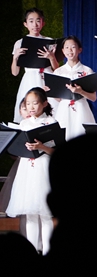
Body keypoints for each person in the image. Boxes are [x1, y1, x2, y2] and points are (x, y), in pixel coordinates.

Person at [5, 88, 56, 253]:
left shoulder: (50, 122)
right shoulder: (24, 124)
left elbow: (56, 151)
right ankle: (32, 251)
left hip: (43, 169)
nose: (31, 107)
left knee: (46, 215)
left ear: (44, 103)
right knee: (30, 214)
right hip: (27, 170)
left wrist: (41, 146)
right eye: (28, 104)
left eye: (35, 103)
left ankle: (47, 251)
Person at [11, 8, 58, 122]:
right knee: (30, 109)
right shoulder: (20, 43)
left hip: (47, 77)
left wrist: (51, 57)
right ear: (25, 24)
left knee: (51, 109)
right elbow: (15, 72)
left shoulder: (49, 41)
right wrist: (15, 57)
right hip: (30, 79)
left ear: (43, 23)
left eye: (38, 20)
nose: (35, 24)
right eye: (31, 21)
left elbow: (57, 70)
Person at [52, 35, 97, 140]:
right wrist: (51, 92)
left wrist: (81, 91)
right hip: (64, 110)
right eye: (67, 47)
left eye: (73, 47)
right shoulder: (58, 72)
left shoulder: (87, 71)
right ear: (63, 51)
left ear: (79, 49)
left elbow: (93, 97)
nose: (70, 50)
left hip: (81, 109)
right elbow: (58, 98)